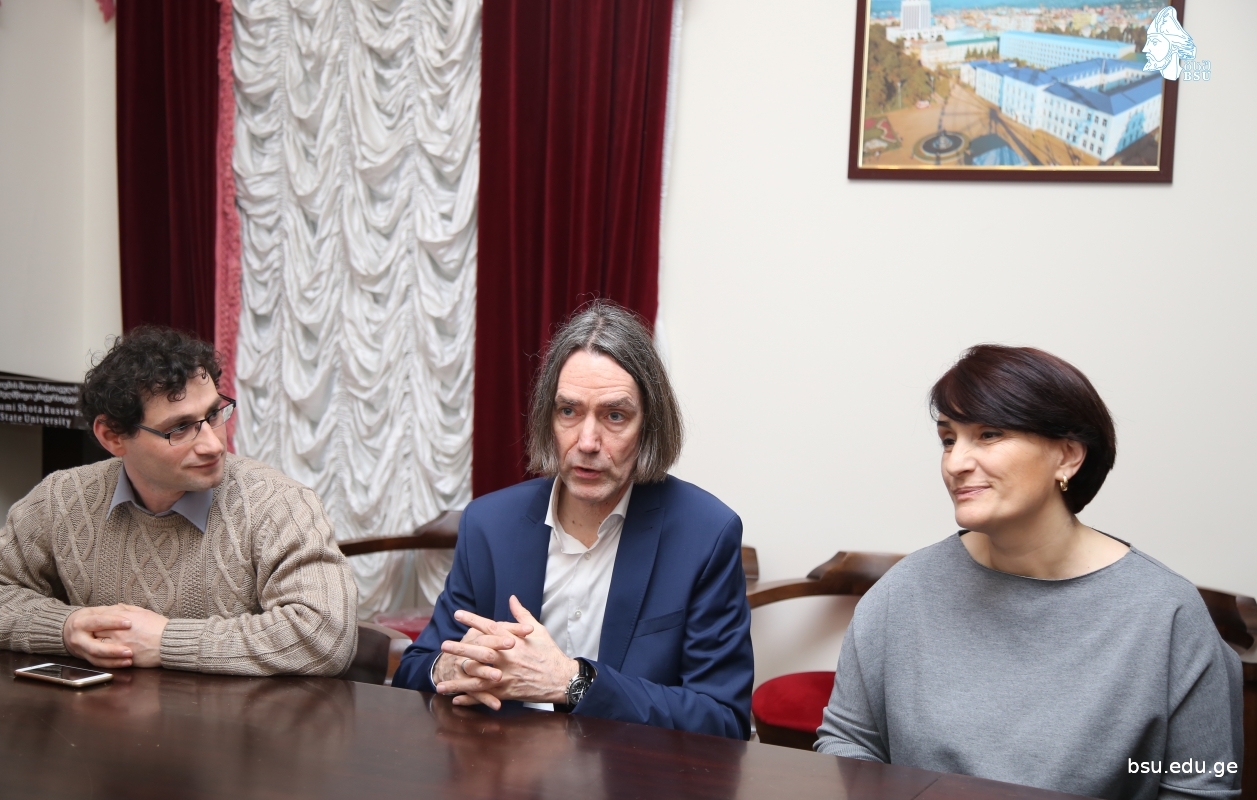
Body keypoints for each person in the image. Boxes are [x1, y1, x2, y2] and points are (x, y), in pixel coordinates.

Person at [815, 345, 1243, 800]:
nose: (955, 463)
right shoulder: (904, 590)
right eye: (948, 439)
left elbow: (1200, 787)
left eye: (989, 434)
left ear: (1068, 456)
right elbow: (848, 742)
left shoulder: (1167, 613)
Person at [392, 301, 753, 739]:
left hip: (629, 768)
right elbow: (415, 670)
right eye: (569, 411)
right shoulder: (489, 524)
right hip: (502, 763)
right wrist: (452, 668)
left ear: (649, 426)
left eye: (614, 415)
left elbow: (722, 720)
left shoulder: (706, 535)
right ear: (548, 418)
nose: (587, 441)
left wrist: (573, 682)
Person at [0, 326, 358, 676]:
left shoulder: (280, 504)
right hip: (99, 713)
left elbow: (327, 635)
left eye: (213, 415)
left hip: (234, 716)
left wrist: (165, 641)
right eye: (179, 428)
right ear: (112, 437)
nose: (213, 445)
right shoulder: (61, 499)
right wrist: (65, 627)